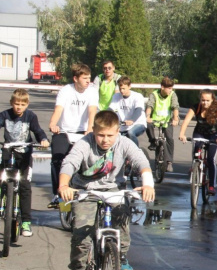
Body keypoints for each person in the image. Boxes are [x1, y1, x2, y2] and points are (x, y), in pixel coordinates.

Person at [59, 110, 155, 270]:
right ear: (93, 130)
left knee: (122, 222)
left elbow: (140, 161)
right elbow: (69, 163)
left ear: (118, 131)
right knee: (81, 235)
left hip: (114, 190)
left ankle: (121, 256)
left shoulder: (124, 143)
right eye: (101, 135)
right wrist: (64, 184)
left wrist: (148, 184)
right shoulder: (84, 143)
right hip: (86, 190)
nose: (105, 140)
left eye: (110, 135)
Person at [48, 63, 99, 208]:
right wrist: (53, 124)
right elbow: (58, 110)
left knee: (87, 161)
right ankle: (58, 194)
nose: (88, 81)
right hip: (65, 131)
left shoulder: (92, 91)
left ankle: (85, 191)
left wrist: (90, 128)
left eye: (89, 78)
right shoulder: (66, 90)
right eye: (85, 78)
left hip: (84, 131)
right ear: (75, 79)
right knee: (58, 159)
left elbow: (92, 111)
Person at [0, 89, 49, 237]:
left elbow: (38, 130)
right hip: (9, 150)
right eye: (16, 104)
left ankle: (26, 222)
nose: (19, 107)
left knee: (25, 186)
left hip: (25, 153)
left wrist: (44, 139)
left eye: (22, 104)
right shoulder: (5, 115)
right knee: (2, 179)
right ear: (11, 103)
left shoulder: (30, 116)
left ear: (27, 104)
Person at [179, 89, 217, 195]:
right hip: (200, 133)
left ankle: (212, 185)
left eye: (208, 100)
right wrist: (182, 134)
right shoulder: (196, 107)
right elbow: (186, 121)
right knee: (196, 152)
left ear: (212, 100)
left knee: (211, 159)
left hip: (213, 135)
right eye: (203, 100)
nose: (205, 103)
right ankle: (195, 167)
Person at [145, 77, 180, 173]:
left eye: (171, 88)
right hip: (155, 119)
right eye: (168, 88)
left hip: (167, 120)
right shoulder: (154, 94)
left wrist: (176, 119)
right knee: (147, 125)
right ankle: (152, 142)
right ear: (162, 87)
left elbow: (175, 106)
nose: (170, 90)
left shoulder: (172, 95)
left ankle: (169, 162)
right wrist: (147, 116)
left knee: (169, 138)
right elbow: (150, 106)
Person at [109, 76, 146, 146]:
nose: (121, 91)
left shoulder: (137, 96)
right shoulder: (116, 96)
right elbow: (111, 109)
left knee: (130, 133)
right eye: (120, 88)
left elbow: (138, 110)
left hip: (138, 123)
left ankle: (136, 153)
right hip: (123, 125)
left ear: (129, 86)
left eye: (123, 88)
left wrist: (132, 120)